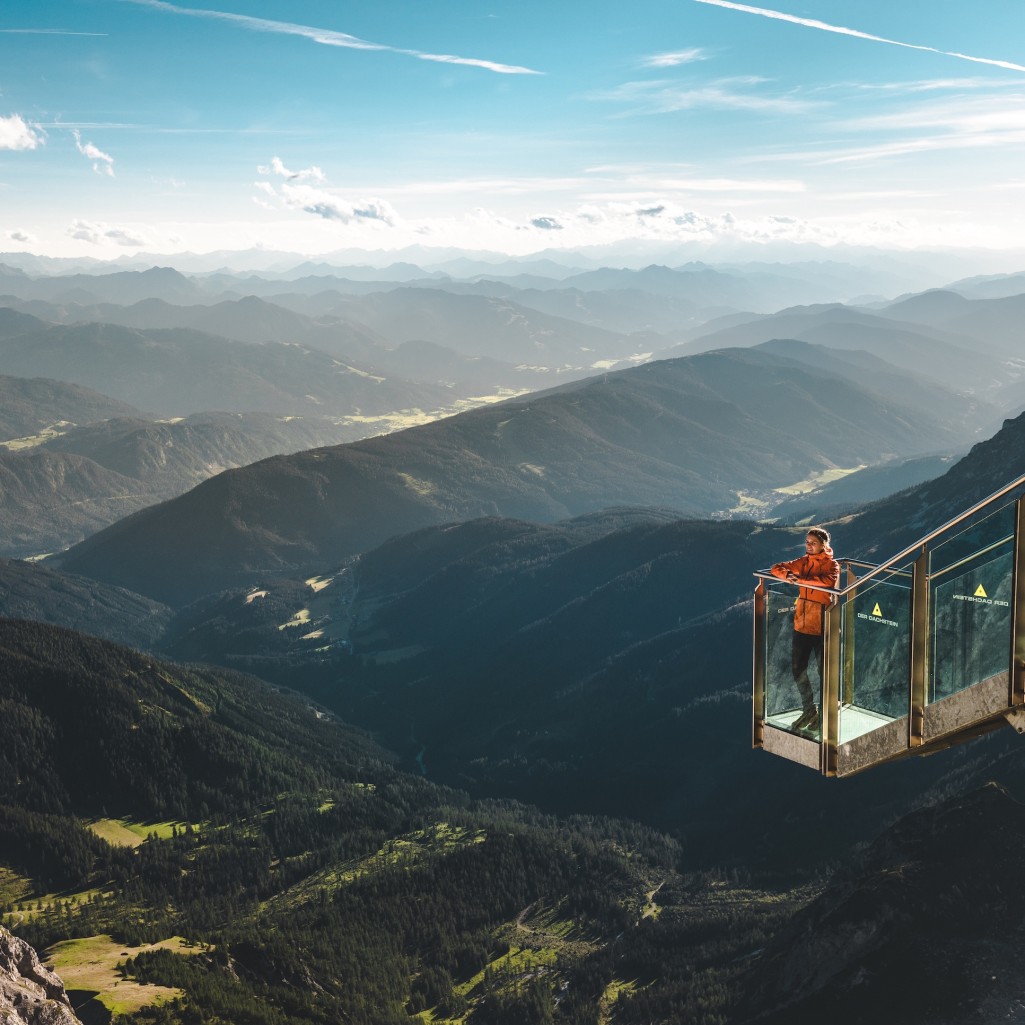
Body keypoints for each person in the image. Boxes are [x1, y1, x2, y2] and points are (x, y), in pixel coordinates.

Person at [769, 527, 840, 733]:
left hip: (822, 626)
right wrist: (788, 574)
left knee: (823, 672)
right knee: (797, 668)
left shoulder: (832, 565)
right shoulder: (804, 562)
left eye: (813, 543)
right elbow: (776, 567)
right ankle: (809, 710)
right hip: (802, 624)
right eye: (807, 542)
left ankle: (825, 714)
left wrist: (798, 579)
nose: (808, 546)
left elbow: (826, 583)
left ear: (823, 545)